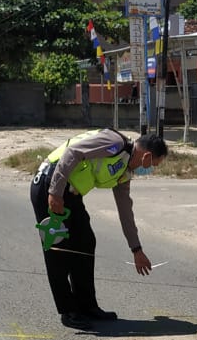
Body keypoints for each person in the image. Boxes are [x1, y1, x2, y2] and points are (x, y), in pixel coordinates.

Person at [30, 129, 167, 329]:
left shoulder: (124, 172)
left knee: (85, 242)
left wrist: (136, 249)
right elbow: (72, 153)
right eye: (153, 165)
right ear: (146, 156)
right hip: (49, 184)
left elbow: (125, 212)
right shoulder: (114, 143)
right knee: (58, 251)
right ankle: (68, 311)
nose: (151, 170)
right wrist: (55, 192)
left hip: (71, 194)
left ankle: (87, 306)